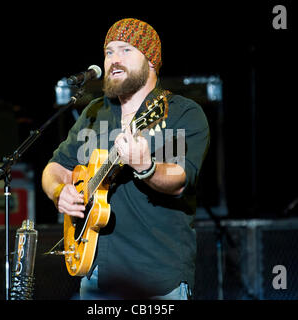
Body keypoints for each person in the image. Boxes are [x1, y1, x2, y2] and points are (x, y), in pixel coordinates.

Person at [42, 18, 210, 300]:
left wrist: (146, 166)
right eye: (109, 52)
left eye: (126, 50)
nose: (113, 60)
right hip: (96, 276)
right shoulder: (94, 112)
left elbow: (180, 179)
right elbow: (55, 167)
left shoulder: (181, 113)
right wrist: (60, 191)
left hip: (158, 280)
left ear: (152, 61)